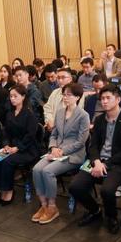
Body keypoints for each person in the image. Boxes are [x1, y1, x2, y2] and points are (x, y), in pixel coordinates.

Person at [69, 85, 121, 234]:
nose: (104, 101)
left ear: (118, 100)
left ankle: (111, 217)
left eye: (108, 98)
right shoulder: (99, 119)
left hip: (118, 164)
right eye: (102, 98)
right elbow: (93, 146)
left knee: (107, 190)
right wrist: (97, 162)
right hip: (98, 162)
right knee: (75, 186)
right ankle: (95, 210)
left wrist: (104, 164)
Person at [32, 83, 90, 224]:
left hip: (73, 154)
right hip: (56, 151)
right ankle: (44, 205)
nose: (65, 97)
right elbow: (54, 134)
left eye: (69, 95)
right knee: (36, 169)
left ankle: (52, 207)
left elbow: (81, 142)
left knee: (47, 171)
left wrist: (62, 150)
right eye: (64, 94)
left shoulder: (83, 115)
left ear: (77, 97)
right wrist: (53, 147)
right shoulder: (59, 112)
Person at [0, 84, 40, 205]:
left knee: (7, 161)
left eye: (15, 96)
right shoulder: (10, 113)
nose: (12, 99)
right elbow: (5, 132)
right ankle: (2, 189)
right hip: (12, 146)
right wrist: (6, 144)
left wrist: (17, 148)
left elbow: (30, 136)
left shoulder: (30, 114)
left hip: (27, 149)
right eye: (11, 96)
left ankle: (9, 191)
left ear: (23, 97)